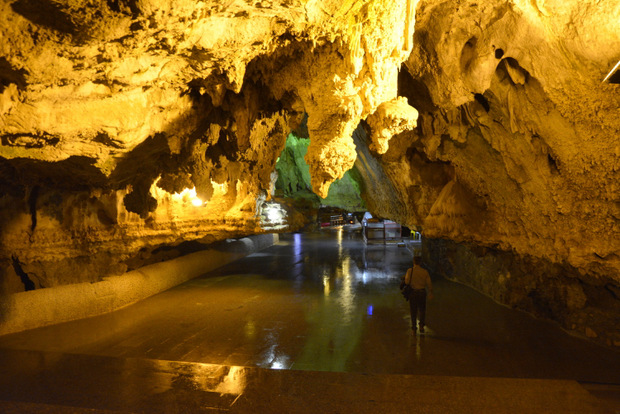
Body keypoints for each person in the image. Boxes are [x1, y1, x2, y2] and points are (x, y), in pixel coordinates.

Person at [404, 256, 433, 334]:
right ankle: (421, 326)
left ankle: (414, 328)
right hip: (422, 292)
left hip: (413, 292)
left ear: (413, 262)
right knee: (422, 310)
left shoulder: (410, 271)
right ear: (420, 262)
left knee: (413, 311)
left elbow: (406, 282)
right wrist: (430, 292)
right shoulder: (424, 271)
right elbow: (429, 283)